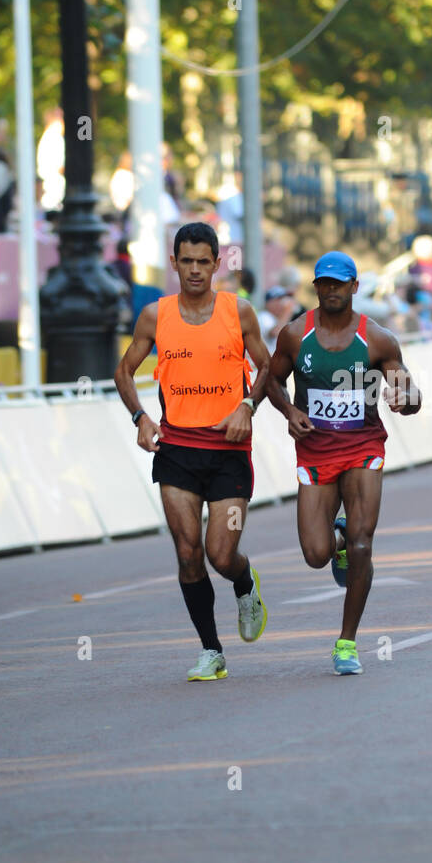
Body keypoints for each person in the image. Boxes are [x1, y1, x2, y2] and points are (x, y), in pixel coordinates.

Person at [114, 222, 271, 682]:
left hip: (228, 450)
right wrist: (140, 417)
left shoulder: (238, 312)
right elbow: (124, 371)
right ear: (174, 263)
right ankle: (211, 651)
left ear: (218, 264)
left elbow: (267, 367)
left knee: (221, 553)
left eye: (205, 261)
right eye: (188, 261)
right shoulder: (154, 316)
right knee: (187, 553)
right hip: (177, 450)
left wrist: (248, 405)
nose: (196, 270)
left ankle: (244, 584)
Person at [267, 250, 421, 675]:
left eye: (339, 283)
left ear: (355, 287)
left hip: (362, 449)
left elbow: (411, 394)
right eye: (324, 283)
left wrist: (405, 398)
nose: (331, 289)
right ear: (315, 288)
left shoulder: (379, 339)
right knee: (315, 554)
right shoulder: (296, 335)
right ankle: (336, 539)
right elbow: (270, 381)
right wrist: (288, 411)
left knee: (363, 542)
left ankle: (347, 643)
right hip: (316, 452)